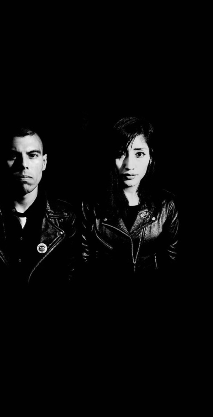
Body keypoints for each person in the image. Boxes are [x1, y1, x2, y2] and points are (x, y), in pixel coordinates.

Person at [0, 124, 79, 297]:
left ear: (44, 162)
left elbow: (72, 282)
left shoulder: (66, 218)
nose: (23, 165)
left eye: (32, 155)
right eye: (13, 156)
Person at [80, 116, 180, 299]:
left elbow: (172, 262)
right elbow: (84, 263)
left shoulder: (166, 205)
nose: (129, 165)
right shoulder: (90, 207)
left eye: (139, 154)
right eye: (120, 153)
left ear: (150, 157)